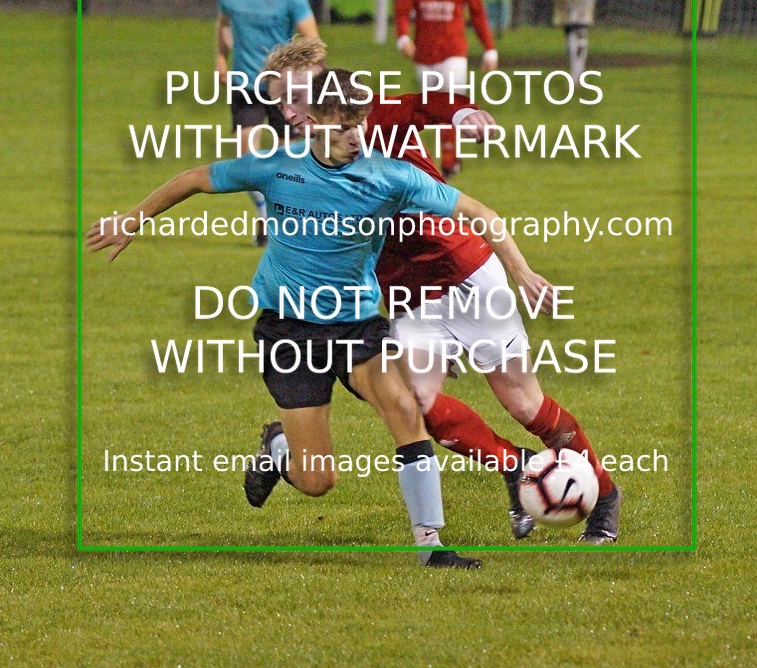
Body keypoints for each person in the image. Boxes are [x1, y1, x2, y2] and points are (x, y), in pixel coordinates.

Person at [86, 69, 552, 566]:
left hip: (356, 327)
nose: (356, 137)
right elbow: (195, 180)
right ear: (311, 124)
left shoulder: (388, 176)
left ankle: (431, 547)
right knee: (318, 482)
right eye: (343, 127)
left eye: (360, 124)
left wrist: (520, 270)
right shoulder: (276, 167)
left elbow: (481, 213)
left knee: (406, 409)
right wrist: (130, 220)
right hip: (288, 332)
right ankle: (279, 447)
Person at [264, 38, 622, 545]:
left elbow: (433, 102)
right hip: (406, 293)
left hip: (465, 270)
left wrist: (464, 115)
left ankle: (604, 494)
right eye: (279, 102)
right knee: (417, 402)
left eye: (296, 97)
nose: (289, 111)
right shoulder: (296, 158)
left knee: (524, 405)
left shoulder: (376, 113)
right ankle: (515, 466)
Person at [215, 0, 319, 243]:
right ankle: (264, 212)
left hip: (284, 88)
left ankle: (288, 220)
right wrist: (220, 58)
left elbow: (312, 38)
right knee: (246, 157)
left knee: (288, 161)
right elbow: (223, 25)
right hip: (246, 82)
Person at [394, 0, 498, 178]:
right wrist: (403, 37)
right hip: (424, 54)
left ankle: (449, 162)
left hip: (453, 52)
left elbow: (478, 14)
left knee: (450, 104)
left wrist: (489, 49)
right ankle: (431, 158)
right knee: (432, 108)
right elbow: (402, 10)